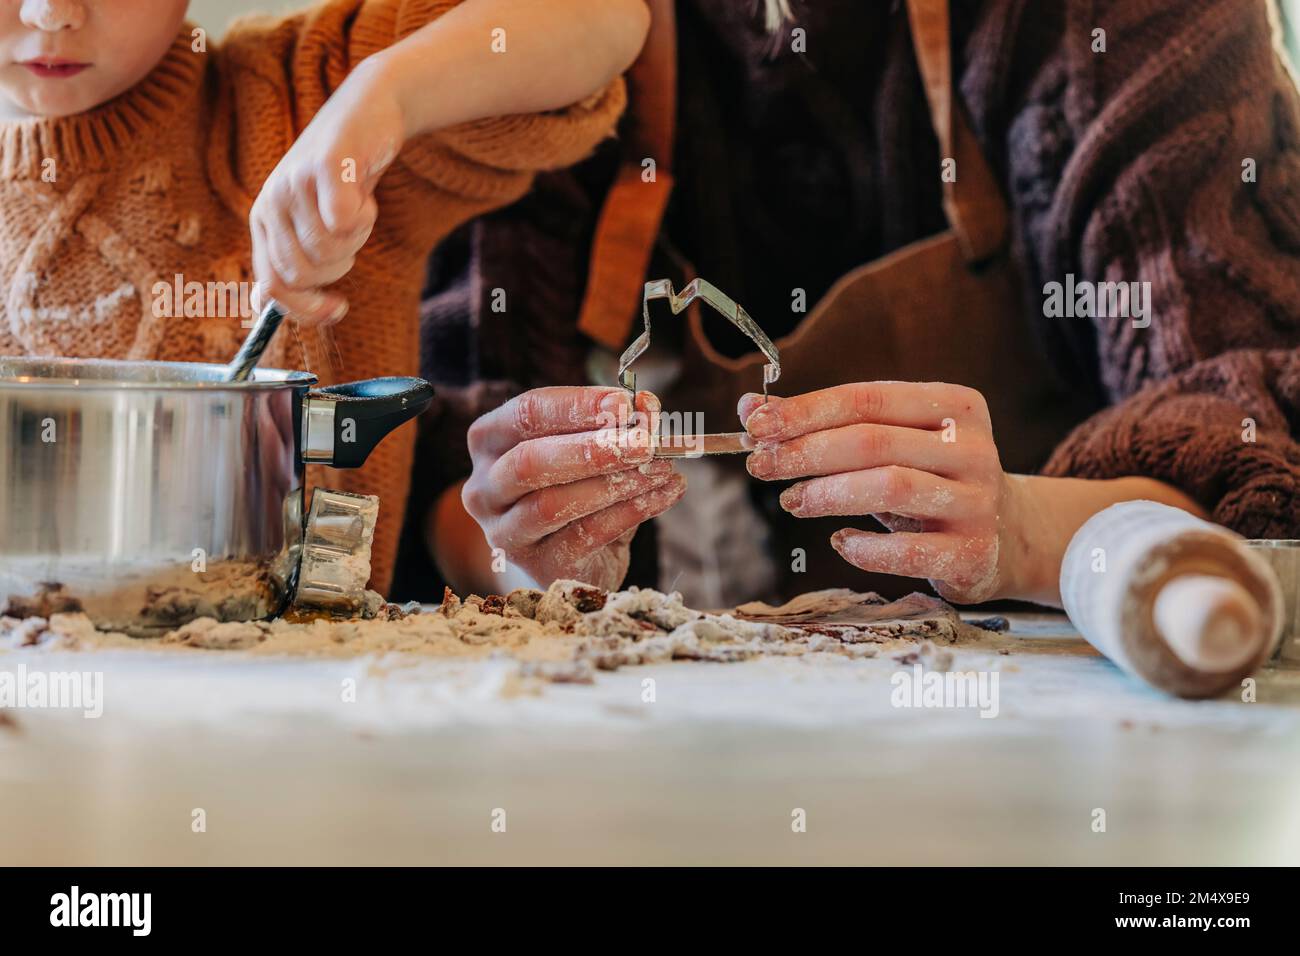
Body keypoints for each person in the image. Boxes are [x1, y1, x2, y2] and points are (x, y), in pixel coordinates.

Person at [411, 0, 1300, 609]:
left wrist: (1022, 534)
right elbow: (451, 499)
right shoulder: (534, 37)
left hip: (1062, 728)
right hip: (673, 729)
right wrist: (526, 551)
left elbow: (1256, 474)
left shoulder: (1126, 24)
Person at [0, 0, 650, 594]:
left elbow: (604, 20)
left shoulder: (296, 96)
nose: (53, 12)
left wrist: (383, 95)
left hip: (302, 705)